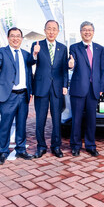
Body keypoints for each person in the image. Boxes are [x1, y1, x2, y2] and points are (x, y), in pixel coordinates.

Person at [0, 27, 35, 165]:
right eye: (12, 36)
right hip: (8, 95)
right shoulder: (1, 52)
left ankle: (21, 149)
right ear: (8, 38)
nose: (15, 38)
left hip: (23, 95)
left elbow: (31, 68)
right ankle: (3, 152)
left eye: (18, 36)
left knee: (22, 124)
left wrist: (35, 55)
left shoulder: (26, 54)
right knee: (5, 124)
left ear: (22, 39)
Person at [31, 20, 68, 158]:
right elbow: (31, 62)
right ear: (44, 30)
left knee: (57, 119)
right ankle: (41, 146)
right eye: (49, 29)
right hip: (41, 87)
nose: (51, 31)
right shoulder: (37, 45)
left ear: (58, 31)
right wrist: (34, 54)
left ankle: (56, 146)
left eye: (54, 29)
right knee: (40, 119)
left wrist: (65, 85)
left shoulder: (63, 48)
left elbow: (64, 68)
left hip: (57, 88)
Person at [68, 21, 104, 157]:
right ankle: (75, 145)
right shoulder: (74, 47)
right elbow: (73, 63)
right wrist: (71, 65)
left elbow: (102, 69)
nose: (87, 32)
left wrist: (101, 87)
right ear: (80, 32)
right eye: (84, 30)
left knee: (91, 119)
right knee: (76, 119)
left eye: (90, 30)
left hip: (94, 89)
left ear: (93, 32)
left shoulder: (99, 49)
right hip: (78, 88)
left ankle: (90, 145)